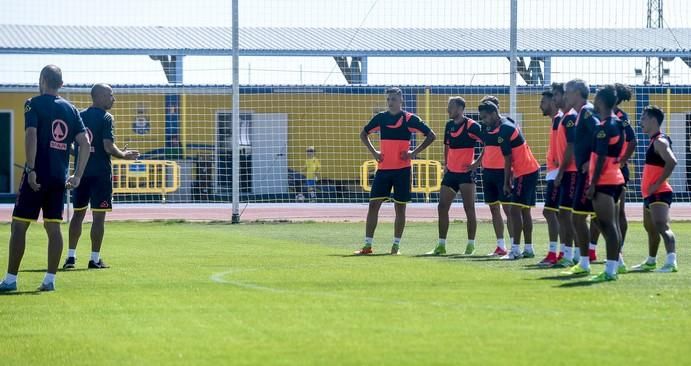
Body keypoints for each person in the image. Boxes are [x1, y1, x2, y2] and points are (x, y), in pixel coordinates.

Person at [0, 65, 90, 292]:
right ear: (60, 83)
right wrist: (77, 175)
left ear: (42, 79)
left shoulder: (33, 103)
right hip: (58, 178)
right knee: (53, 228)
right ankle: (49, 280)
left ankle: (10, 280)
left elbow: (31, 134)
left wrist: (30, 169)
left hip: (37, 174)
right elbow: (85, 144)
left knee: (19, 226)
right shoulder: (71, 109)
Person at [63, 84, 139, 270]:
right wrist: (123, 154)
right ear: (99, 96)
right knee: (98, 218)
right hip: (100, 176)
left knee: (77, 216)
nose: (113, 99)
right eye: (110, 95)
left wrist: (82, 155)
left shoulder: (78, 115)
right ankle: (94, 259)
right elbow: (107, 146)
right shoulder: (106, 117)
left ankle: (71, 258)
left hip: (81, 175)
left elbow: (74, 148)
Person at [355, 87, 436, 255]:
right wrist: (374, 152)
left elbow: (431, 135)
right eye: (388, 99)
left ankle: (396, 246)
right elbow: (363, 134)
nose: (390, 102)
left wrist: (414, 153)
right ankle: (367, 245)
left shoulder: (410, 119)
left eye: (393, 99)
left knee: (400, 208)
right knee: (373, 205)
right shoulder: (380, 118)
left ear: (401, 100)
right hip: (383, 170)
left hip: (402, 171)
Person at [478, 100, 540, 260]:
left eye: (485, 117)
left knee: (514, 210)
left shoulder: (505, 129)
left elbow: (507, 158)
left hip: (524, 171)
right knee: (524, 211)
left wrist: (506, 182)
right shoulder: (504, 123)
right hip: (529, 169)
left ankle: (515, 250)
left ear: (493, 113)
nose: (483, 121)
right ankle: (529, 249)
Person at [427, 96, 482, 255]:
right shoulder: (449, 125)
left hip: (466, 175)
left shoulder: (472, 126)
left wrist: (476, 164)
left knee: (469, 208)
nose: (448, 109)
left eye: (450, 106)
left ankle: (470, 245)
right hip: (451, 173)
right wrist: (446, 164)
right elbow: (447, 146)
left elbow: (488, 143)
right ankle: (441, 245)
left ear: (459, 108)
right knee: (442, 207)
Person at [589, 83, 637, 266]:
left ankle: (618, 253)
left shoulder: (620, 118)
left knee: (618, 215)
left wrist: (622, 159)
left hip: (613, 169)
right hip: (603, 167)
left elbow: (632, 140)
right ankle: (592, 249)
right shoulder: (599, 116)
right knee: (597, 214)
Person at [560, 79, 601, 277]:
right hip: (584, 173)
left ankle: (585, 262)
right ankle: (607, 260)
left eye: (567, 91)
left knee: (582, 218)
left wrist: (590, 162)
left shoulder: (586, 111)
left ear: (577, 92)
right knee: (597, 219)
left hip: (588, 174)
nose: (565, 95)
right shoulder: (580, 113)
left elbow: (599, 132)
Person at [585, 85, 626, 282]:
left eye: (596, 98)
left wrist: (593, 183)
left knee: (607, 226)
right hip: (616, 178)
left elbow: (601, 157)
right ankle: (615, 266)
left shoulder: (603, 127)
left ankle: (610, 271)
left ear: (601, 101)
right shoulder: (618, 123)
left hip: (605, 181)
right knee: (611, 225)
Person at [630, 106, 678, 273]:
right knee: (650, 229)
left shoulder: (660, 141)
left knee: (661, 226)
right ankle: (651, 261)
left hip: (659, 192)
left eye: (643, 118)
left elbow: (672, 162)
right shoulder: (654, 141)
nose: (640, 122)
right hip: (649, 194)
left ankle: (671, 262)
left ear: (653, 120)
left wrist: (656, 184)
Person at [552, 83, 579, 268]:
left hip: (572, 172)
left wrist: (561, 171)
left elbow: (571, 145)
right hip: (567, 171)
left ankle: (571, 255)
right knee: (565, 214)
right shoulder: (563, 118)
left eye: (557, 95)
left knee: (568, 214)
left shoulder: (570, 118)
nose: (554, 99)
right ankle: (572, 254)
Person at [538, 90, 563, 265]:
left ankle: (556, 253)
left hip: (557, 172)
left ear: (553, 102)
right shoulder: (557, 120)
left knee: (551, 212)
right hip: (554, 171)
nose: (541, 105)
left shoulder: (560, 120)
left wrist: (560, 167)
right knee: (561, 214)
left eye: (544, 102)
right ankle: (567, 252)